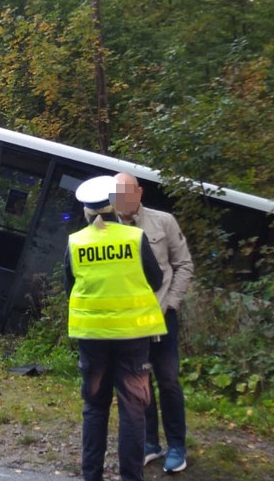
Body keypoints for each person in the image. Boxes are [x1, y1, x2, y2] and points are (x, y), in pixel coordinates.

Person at [65, 175, 166, 481]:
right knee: (132, 409)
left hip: (92, 337)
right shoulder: (134, 238)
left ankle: (91, 476)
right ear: (114, 206)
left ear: (87, 211)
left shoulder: (76, 242)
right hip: (133, 337)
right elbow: (157, 280)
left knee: (95, 408)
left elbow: (68, 286)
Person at [114, 172, 194, 473]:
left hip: (162, 320)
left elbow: (184, 265)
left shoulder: (164, 222)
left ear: (139, 192)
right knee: (138, 384)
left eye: (126, 191)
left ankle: (176, 446)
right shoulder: (106, 228)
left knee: (168, 381)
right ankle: (149, 443)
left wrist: (171, 304)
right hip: (129, 324)